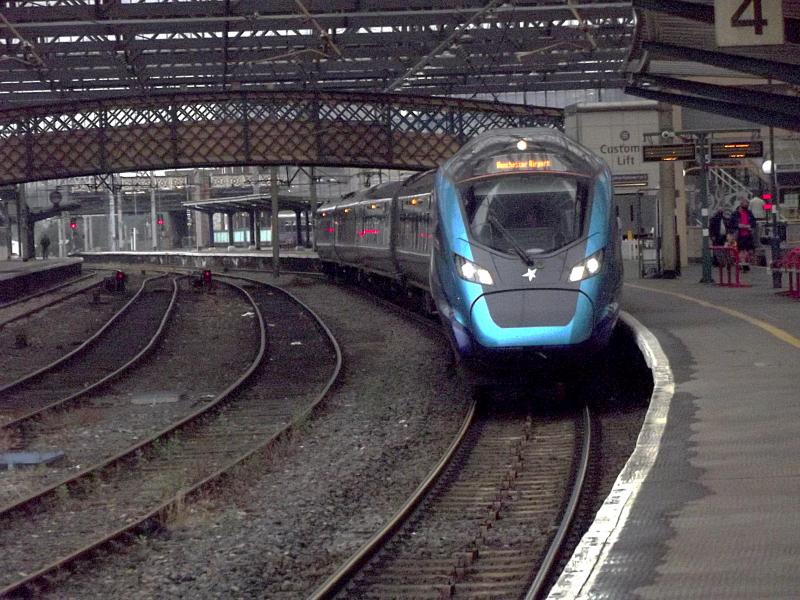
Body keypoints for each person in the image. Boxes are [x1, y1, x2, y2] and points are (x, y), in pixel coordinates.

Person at [730, 197, 757, 271]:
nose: (746, 205)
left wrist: (750, 226)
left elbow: (753, 222)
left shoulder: (749, 213)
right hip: (739, 234)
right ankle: (742, 263)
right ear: (741, 204)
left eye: (747, 204)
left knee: (749, 250)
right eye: (745, 204)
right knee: (741, 250)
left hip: (748, 233)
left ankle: (743, 262)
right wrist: (738, 225)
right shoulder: (735, 214)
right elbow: (731, 223)